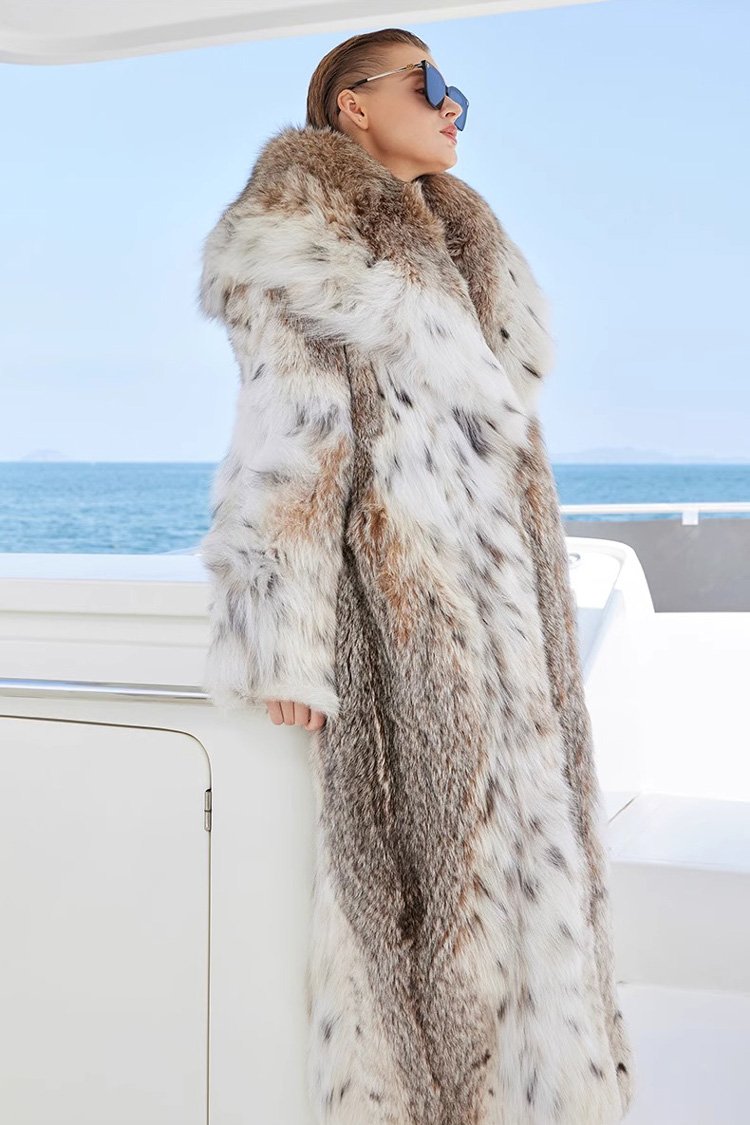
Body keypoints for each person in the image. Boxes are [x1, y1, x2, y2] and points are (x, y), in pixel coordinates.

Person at [197, 26, 635, 1124]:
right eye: (431, 84)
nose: (452, 108)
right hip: (405, 614)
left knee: (538, 867)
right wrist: (283, 640)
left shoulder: (462, 240)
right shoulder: (302, 243)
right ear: (353, 102)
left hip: (514, 613)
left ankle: (547, 1093)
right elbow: (287, 446)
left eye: (456, 92)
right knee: (431, 896)